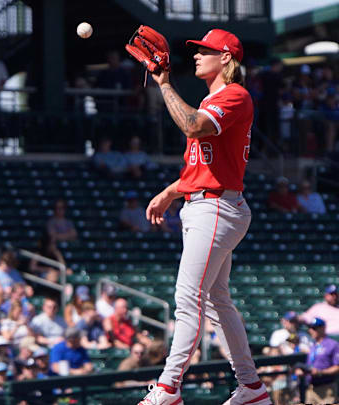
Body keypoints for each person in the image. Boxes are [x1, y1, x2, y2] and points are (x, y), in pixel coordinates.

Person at [140, 29, 268, 405]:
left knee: (188, 296)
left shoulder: (234, 95)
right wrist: (167, 193)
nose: (196, 55)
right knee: (215, 300)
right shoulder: (214, 98)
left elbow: (192, 125)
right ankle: (252, 388)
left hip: (216, 207)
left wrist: (163, 84)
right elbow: (201, 169)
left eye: (205, 51)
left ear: (226, 57)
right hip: (206, 202)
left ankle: (168, 387)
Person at [295, 318, 339, 404]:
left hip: (326, 388)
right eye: (310, 328)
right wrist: (303, 372)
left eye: (314, 328)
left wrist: (320, 372)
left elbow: (337, 367)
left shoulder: (332, 344)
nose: (311, 330)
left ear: (323, 328)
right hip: (311, 389)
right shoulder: (313, 346)